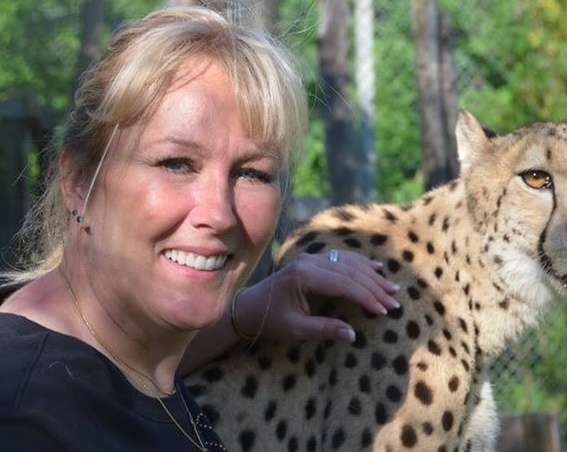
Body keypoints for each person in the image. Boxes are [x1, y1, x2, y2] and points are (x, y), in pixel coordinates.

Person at [0, 6, 400, 451]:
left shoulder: (121, 353)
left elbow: (120, 386)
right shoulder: (28, 421)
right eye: (176, 164)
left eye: (252, 173)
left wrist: (246, 314)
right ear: (79, 184)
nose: (221, 214)